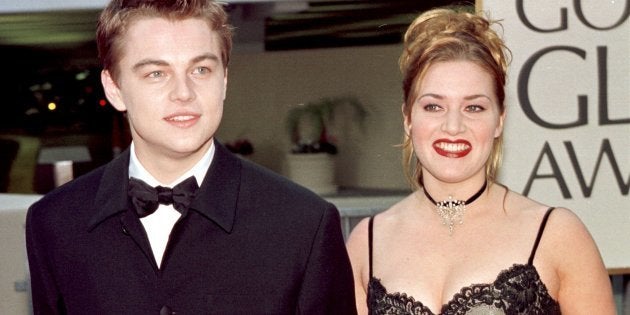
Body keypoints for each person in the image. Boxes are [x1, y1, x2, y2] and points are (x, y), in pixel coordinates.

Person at [25, 0, 356, 313]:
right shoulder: (54, 223)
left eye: (200, 70)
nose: (183, 92)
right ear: (114, 89)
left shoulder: (303, 223)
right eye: (157, 73)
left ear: (224, 80)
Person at [346, 8, 615, 315]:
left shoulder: (557, 234)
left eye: (474, 108)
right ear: (408, 118)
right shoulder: (366, 243)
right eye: (433, 106)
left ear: (499, 120)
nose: (453, 126)